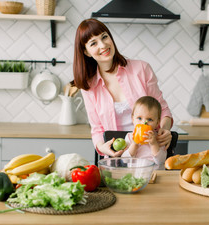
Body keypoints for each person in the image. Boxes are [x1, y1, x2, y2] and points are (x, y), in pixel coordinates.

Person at [73, 18, 173, 158]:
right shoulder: (89, 87)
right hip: (117, 158)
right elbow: (96, 129)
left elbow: (163, 110)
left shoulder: (141, 69)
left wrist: (164, 129)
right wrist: (103, 147)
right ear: (86, 52)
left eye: (104, 37)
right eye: (93, 43)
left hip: (150, 154)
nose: (103, 45)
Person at [121, 96, 167, 169]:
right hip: (135, 176)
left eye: (150, 119)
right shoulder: (130, 137)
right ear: (133, 119)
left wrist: (154, 144)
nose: (144, 123)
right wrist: (134, 144)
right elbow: (125, 160)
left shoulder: (159, 138)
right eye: (139, 118)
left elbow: (161, 161)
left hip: (155, 175)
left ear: (157, 122)